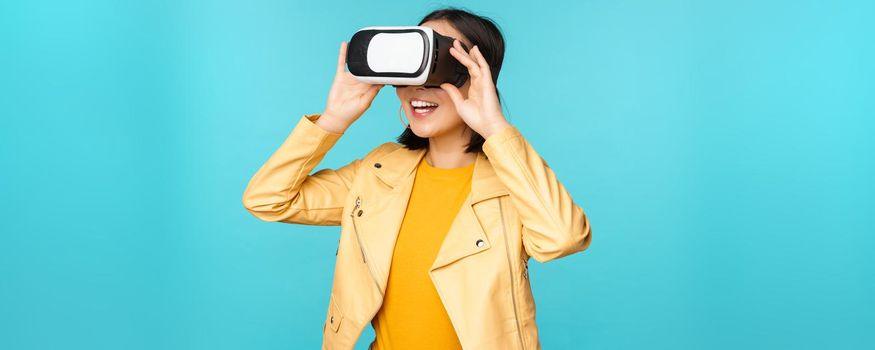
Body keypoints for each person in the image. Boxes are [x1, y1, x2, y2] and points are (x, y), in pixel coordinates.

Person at [242, 7, 592, 350]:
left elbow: (563, 238)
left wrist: (495, 127)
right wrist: (333, 119)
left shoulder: (513, 183)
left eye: (441, 67)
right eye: (412, 68)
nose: (419, 87)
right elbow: (267, 199)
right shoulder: (379, 173)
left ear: (478, 76)